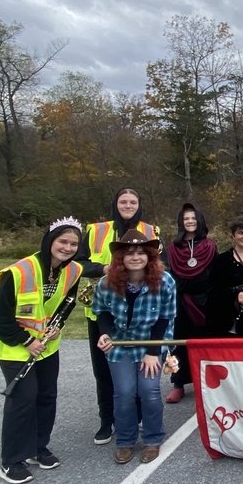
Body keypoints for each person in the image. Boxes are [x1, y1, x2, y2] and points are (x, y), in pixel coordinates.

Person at [0, 217, 84, 484]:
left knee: (46, 396)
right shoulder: (19, 271)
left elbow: (68, 302)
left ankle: (37, 447)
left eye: (73, 244)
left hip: (46, 345)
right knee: (23, 399)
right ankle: (11, 461)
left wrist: (58, 325)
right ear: (50, 241)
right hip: (14, 346)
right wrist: (26, 340)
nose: (67, 248)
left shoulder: (73, 270)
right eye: (62, 241)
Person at [76, 187, 160, 446]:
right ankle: (107, 421)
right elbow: (77, 264)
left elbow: (159, 264)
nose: (128, 205)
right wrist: (104, 269)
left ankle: (138, 416)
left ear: (139, 205)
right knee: (103, 370)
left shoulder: (151, 230)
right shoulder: (96, 230)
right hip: (103, 311)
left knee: (139, 366)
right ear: (116, 204)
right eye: (123, 201)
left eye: (133, 202)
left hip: (140, 311)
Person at [93, 231, 176, 465]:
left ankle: (152, 439)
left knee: (149, 391)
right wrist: (105, 333)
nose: (136, 257)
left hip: (151, 343)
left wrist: (153, 352)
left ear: (150, 256)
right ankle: (125, 441)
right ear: (120, 257)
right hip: (120, 345)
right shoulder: (106, 283)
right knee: (124, 393)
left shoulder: (165, 281)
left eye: (141, 252)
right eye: (129, 253)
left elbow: (165, 317)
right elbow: (102, 312)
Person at [164, 203, 216, 404]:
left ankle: (208, 383)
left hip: (205, 302)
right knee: (178, 344)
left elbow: (215, 275)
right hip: (181, 302)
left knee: (206, 343)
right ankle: (178, 383)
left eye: (193, 218)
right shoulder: (172, 249)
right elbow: (170, 277)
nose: (190, 221)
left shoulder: (209, 246)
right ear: (181, 222)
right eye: (186, 218)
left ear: (199, 220)